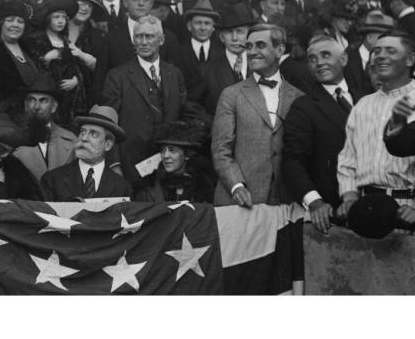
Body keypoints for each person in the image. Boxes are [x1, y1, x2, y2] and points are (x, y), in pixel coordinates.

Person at [336, 30, 415, 228]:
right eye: (377, 51)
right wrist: (349, 196)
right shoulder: (363, 104)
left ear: (410, 60)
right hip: (364, 208)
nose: (381, 55)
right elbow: (348, 158)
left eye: (391, 51)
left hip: (408, 210)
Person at [211, 23, 304, 207]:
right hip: (237, 202)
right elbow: (221, 150)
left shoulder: (298, 97)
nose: (252, 52)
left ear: (279, 50)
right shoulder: (232, 94)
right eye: (249, 46)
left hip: (283, 204)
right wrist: (236, 186)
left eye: (260, 45)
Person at [282, 35, 364, 233]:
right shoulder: (304, 106)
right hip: (331, 211)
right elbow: (292, 162)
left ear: (343, 59)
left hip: (370, 203)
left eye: (326, 55)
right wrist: (315, 202)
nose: (319, 63)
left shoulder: (366, 97)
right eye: (312, 59)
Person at [101, 15, 193, 185]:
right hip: (130, 165)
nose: (143, 42)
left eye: (149, 36)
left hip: (168, 166)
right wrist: (114, 164)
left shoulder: (174, 74)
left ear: (161, 40)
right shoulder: (117, 76)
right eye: (138, 36)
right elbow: (109, 126)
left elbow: (181, 117)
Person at [40, 104, 132, 200]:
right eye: (82, 132)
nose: (83, 138)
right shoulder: (52, 180)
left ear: (107, 144)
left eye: (93, 134)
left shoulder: (122, 188)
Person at [27, 0, 88, 124]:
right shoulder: (36, 40)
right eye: (56, 17)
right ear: (48, 19)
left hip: (70, 100)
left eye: (63, 18)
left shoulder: (66, 41)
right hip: (48, 98)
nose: (60, 21)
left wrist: (76, 80)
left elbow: (77, 67)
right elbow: (32, 70)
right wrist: (45, 59)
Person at [10, 74, 77, 182]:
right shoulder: (12, 140)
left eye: (43, 100)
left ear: (54, 107)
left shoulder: (71, 140)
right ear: (26, 106)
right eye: (32, 100)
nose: (36, 106)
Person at [133, 121, 215, 204]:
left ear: (186, 155)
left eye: (172, 150)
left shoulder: (201, 186)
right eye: (163, 150)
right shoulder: (148, 185)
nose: (165, 155)